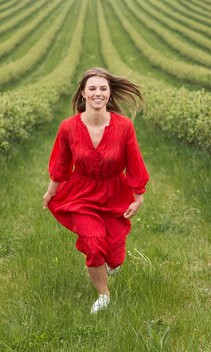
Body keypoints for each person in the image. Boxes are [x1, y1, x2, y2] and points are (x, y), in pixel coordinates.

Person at [42, 67, 149, 314]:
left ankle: (111, 262)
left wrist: (138, 197)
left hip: (114, 192)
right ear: (83, 93)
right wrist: (51, 192)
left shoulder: (124, 127)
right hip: (81, 193)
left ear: (109, 95)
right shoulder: (68, 127)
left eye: (103, 88)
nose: (97, 93)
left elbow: (134, 162)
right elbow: (60, 163)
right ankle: (103, 295)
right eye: (92, 88)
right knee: (92, 242)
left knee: (114, 255)